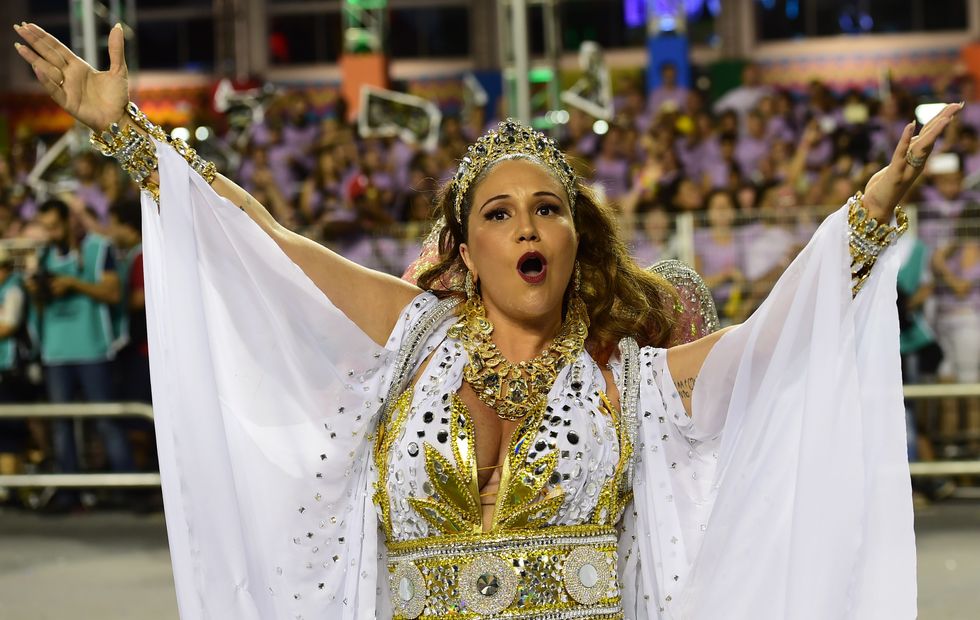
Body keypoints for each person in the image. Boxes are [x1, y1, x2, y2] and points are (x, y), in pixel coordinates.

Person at [14, 22, 961, 619]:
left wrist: (867, 216)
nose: (526, 228)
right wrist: (126, 132)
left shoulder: (627, 378)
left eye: (547, 208)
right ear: (466, 252)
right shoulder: (413, 337)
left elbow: (771, 343)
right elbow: (268, 247)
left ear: (576, 236)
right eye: (498, 215)